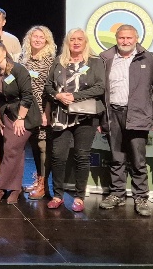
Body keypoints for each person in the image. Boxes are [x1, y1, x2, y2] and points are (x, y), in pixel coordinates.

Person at [97, 24, 153, 216]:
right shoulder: (105, 58)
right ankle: (117, 193)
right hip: (113, 113)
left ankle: (141, 197)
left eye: (129, 38)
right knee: (116, 157)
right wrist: (101, 118)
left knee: (138, 159)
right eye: (121, 38)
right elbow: (100, 90)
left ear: (136, 38)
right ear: (116, 38)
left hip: (138, 114)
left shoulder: (149, 58)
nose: (125, 41)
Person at [44, 28, 105, 212]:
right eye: (72, 39)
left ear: (85, 42)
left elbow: (100, 87)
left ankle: (79, 197)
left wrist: (74, 96)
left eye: (80, 39)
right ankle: (58, 195)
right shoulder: (59, 61)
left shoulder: (95, 62)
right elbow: (48, 86)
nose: (76, 42)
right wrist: (57, 95)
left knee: (81, 156)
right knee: (58, 156)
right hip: (61, 116)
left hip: (85, 116)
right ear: (67, 42)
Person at [0, 42, 39, 205]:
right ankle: (15, 189)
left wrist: (21, 118)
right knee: (16, 152)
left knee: (10, 151)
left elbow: (27, 96)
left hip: (24, 116)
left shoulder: (18, 69)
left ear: (4, 52)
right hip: (8, 115)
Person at [16, 25, 56, 200]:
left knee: (42, 146)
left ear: (47, 41)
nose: (38, 40)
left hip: (42, 107)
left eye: (42, 37)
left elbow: (51, 89)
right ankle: (38, 178)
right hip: (26, 108)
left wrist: (46, 113)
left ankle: (43, 184)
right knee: (33, 145)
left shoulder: (50, 61)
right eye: (35, 36)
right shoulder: (23, 58)